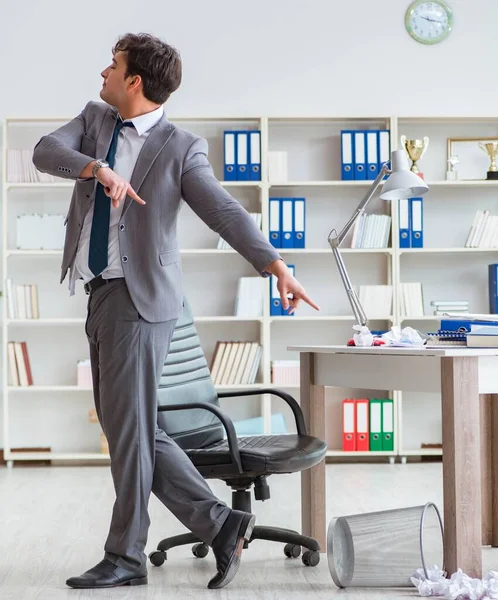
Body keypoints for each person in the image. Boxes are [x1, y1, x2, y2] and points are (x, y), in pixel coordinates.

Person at [32, 32, 319, 590]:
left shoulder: (180, 146)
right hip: (99, 293)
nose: (102, 75)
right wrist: (97, 169)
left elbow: (224, 212)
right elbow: (46, 151)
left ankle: (126, 557)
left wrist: (276, 266)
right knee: (130, 430)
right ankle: (222, 523)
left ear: (134, 80)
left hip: (140, 303)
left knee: (129, 433)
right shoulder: (94, 121)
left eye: (112, 67)